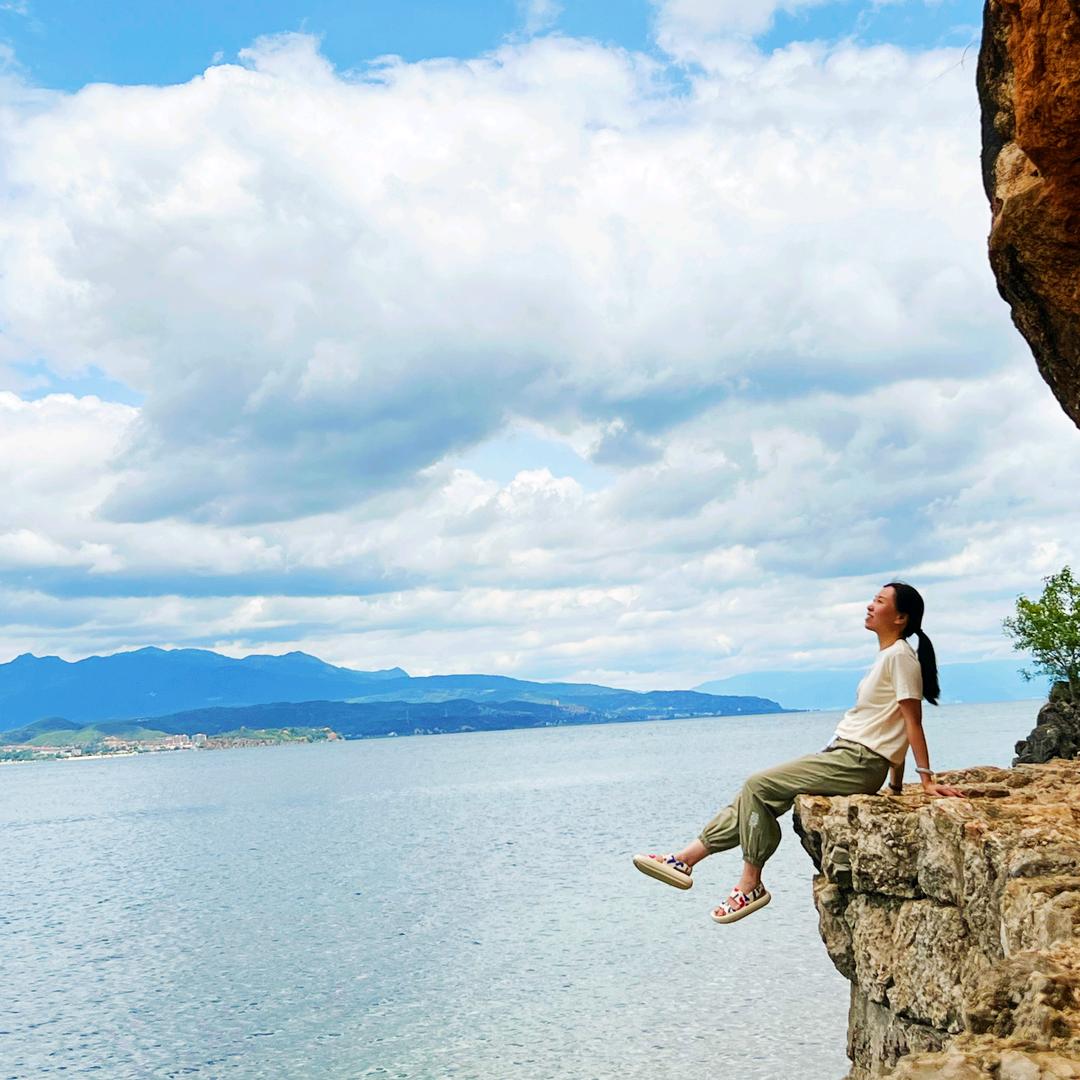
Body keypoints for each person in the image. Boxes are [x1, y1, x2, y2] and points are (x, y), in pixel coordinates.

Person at [633, 582, 965, 924]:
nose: (869, 606)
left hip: (858, 760)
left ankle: (750, 883)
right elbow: (890, 723)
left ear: (900, 617)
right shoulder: (890, 656)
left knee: (757, 785)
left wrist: (925, 780)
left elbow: (912, 721)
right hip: (849, 756)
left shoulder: (899, 656)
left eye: (879, 601)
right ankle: (685, 859)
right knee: (754, 798)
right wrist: (895, 786)